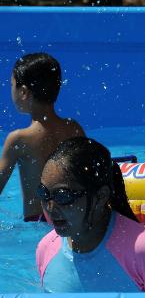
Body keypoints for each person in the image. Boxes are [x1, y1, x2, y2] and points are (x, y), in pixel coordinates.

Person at [36, 137, 145, 293]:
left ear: (101, 196)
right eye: (43, 193)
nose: (50, 207)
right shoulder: (47, 248)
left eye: (63, 196)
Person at [1, 53, 85, 222]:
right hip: (72, 220)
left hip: (37, 222)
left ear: (23, 92)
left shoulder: (19, 139)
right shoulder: (74, 128)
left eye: (12, 85)